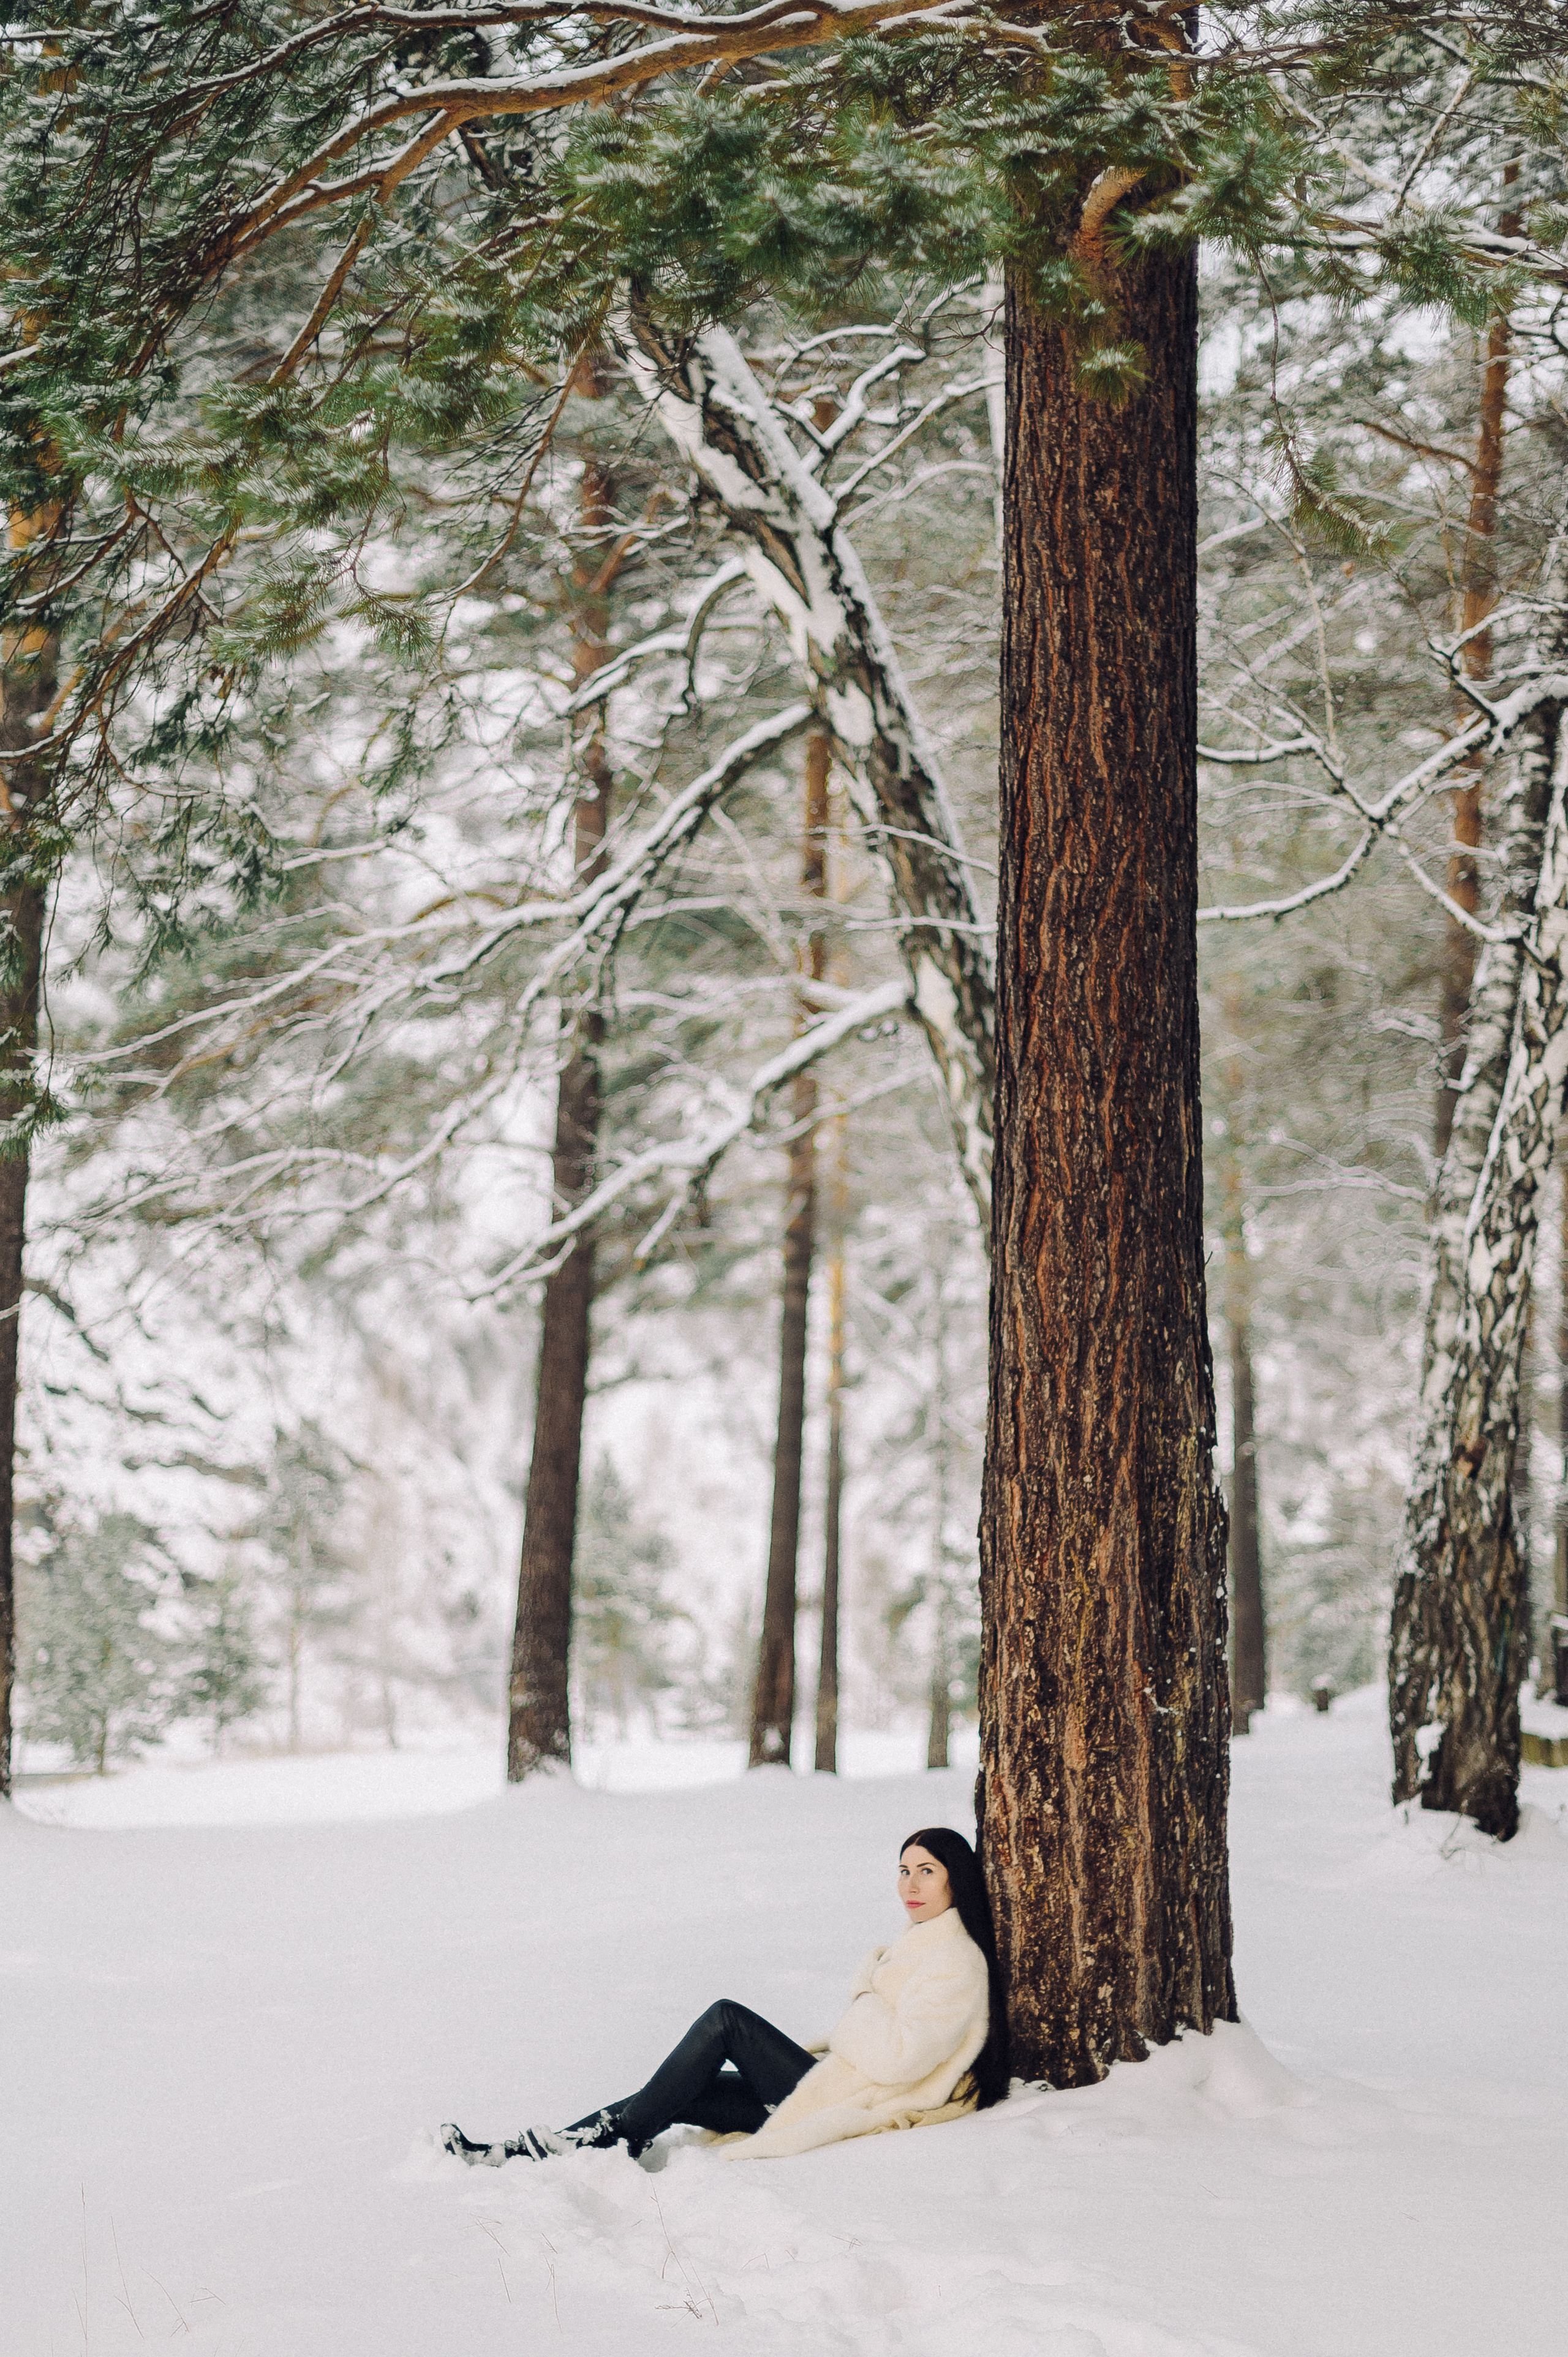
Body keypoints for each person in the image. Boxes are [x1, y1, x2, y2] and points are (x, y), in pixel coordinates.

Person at [440, 1823, 1009, 2166]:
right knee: (676, 2092)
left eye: (926, 1871)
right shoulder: (922, 1943)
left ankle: (601, 2143)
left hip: (846, 2099)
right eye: (904, 1870)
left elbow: (900, 2058)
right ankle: (535, 2152)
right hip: (830, 2085)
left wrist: (864, 1992)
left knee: (726, 2020)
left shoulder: (955, 1959)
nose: (909, 1885)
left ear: (955, 1878)